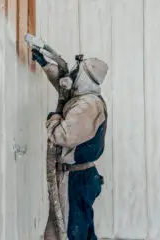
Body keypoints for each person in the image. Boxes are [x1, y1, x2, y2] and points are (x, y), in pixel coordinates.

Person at [32, 49, 108, 240]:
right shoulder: (85, 99)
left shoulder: (87, 106)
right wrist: (47, 66)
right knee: (80, 230)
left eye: (77, 72)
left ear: (85, 77)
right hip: (81, 176)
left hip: (76, 179)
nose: (73, 74)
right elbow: (65, 89)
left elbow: (61, 135)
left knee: (71, 233)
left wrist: (54, 118)